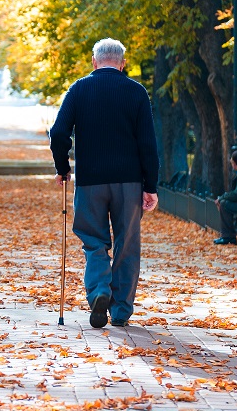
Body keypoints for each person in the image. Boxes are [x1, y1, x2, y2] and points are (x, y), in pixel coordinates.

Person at [49, 38, 159, 329]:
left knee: (93, 241)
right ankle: (121, 310)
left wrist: (63, 167)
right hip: (128, 182)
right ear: (123, 64)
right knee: (127, 243)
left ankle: (99, 291)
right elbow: (148, 143)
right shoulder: (136, 92)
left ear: (94, 62)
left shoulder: (79, 89)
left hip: (91, 182)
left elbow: (58, 133)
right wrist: (151, 186)